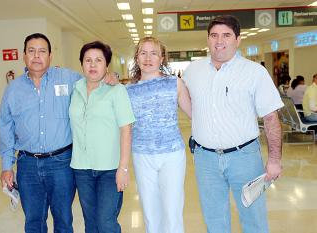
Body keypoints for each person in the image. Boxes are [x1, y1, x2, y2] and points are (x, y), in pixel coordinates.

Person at [0, 33, 118, 233]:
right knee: (33, 222)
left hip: (61, 163)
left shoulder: (69, 78)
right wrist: (6, 166)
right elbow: (5, 127)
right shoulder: (13, 89)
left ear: (50, 56)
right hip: (27, 165)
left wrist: (109, 76)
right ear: (24, 55)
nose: (37, 56)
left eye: (42, 51)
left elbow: (94, 78)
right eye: (32, 51)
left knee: (63, 220)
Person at [183, 15, 283, 233]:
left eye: (226, 35)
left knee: (253, 219)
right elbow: (177, 96)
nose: (219, 41)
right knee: (214, 220)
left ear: (238, 40)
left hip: (245, 158)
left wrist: (274, 160)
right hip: (205, 160)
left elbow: (271, 118)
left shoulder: (255, 72)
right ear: (208, 39)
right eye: (214, 35)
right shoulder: (193, 71)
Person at [126, 37, 192, 233]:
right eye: (143, 53)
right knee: (150, 212)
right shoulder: (128, 90)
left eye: (153, 53)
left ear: (162, 58)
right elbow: (124, 127)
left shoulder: (175, 83)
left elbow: (194, 115)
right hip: (142, 155)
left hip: (172, 155)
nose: (148, 58)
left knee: (173, 211)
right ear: (136, 58)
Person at [69, 41, 135, 233]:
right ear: (81, 64)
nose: (92, 64)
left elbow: (126, 129)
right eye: (88, 60)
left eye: (98, 60)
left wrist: (123, 167)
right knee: (91, 223)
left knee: (106, 222)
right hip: (82, 168)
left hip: (110, 169)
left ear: (107, 65)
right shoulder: (74, 89)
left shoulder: (116, 90)